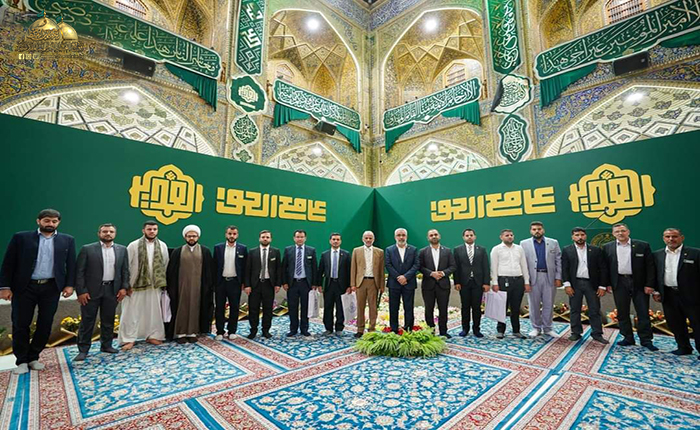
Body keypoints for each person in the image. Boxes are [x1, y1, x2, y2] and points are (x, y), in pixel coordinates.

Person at [0, 209, 76, 374]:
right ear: (38, 221)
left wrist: (70, 285)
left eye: (54, 221)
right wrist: (4, 287)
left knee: (45, 323)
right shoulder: (21, 238)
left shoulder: (67, 240)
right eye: (47, 220)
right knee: (21, 324)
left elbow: (71, 265)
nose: (50, 224)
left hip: (51, 288)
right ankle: (21, 360)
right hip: (24, 287)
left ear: (58, 222)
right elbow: (8, 263)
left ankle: (34, 357)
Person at [74, 224, 129, 361]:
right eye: (105, 231)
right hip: (90, 292)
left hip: (112, 290)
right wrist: (81, 291)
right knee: (87, 321)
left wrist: (124, 288)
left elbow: (125, 271)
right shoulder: (87, 249)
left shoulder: (122, 250)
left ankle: (106, 345)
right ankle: (83, 350)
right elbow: (79, 272)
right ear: (99, 233)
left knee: (108, 320)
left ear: (115, 234)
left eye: (111, 231)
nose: (108, 234)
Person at [602, 223, 657, 350]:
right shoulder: (607, 247)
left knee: (643, 312)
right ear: (613, 234)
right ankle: (627, 337)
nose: (620, 233)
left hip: (639, 283)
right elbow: (605, 268)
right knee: (622, 312)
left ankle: (646, 340)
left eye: (623, 231)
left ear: (628, 232)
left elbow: (650, 266)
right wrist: (607, 284)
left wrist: (650, 284)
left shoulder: (642, 245)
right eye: (617, 232)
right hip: (619, 282)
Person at [119, 221, 168, 350]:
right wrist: (126, 285)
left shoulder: (162, 246)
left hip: (154, 286)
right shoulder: (133, 245)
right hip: (135, 285)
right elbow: (126, 266)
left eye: (154, 229)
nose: (152, 231)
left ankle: (153, 335)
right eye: (149, 229)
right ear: (143, 230)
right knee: (131, 313)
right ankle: (128, 339)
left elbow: (165, 264)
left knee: (153, 312)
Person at [652, 228, 700, 357]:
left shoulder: (695, 253)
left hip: (692, 295)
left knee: (697, 323)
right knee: (675, 323)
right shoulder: (657, 254)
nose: (671, 239)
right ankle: (684, 347)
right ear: (663, 238)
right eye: (667, 236)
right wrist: (656, 291)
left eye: (674, 236)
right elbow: (655, 274)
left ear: (681, 238)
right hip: (669, 294)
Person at [166, 225, 215, 344]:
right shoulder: (178, 251)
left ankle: (192, 332)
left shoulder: (205, 251)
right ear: (185, 237)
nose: (192, 238)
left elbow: (209, 271)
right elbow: (171, 271)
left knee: (195, 307)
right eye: (189, 236)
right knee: (181, 307)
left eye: (194, 236)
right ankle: (180, 332)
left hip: (199, 287)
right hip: (181, 286)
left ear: (198, 237)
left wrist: (209, 286)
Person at [561, 227, 609, 344]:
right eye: (577, 235)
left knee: (594, 309)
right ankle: (576, 332)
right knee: (575, 309)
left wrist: (602, 286)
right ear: (572, 237)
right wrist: (567, 284)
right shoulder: (567, 250)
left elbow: (603, 268)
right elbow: (565, 268)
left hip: (591, 284)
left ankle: (597, 333)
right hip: (574, 284)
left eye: (582, 235)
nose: (580, 237)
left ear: (585, 236)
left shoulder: (596, 250)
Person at [520, 221, 562, 337]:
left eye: (539, 229)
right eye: (534, 229)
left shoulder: (553, 243)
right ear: (530, 231)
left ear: (543, 230)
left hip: (549, 277)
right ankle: (536, 328)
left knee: (549, 303)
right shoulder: (524, 244)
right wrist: (525, 280)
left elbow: (558, 261)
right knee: (534, 304)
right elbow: (522, 263)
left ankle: (548, 328)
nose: (537, 231)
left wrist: (558, 277)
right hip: (533, 278)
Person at [490, 229, 530, 339]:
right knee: (502, 307)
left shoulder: (519, 249)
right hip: (503, 280)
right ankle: (500, 331)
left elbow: (524, 266)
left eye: (511, 235)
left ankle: (516, 330)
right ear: (501, 237)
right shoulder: (496, 249)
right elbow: (493, 267)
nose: (510, 237)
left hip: (518, 280)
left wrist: (526, 282)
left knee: (516, 308)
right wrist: (495, 282)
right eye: (507, 235)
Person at [453, 228, 490, 337]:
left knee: (476, 307)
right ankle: (465, 329)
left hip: (478, 283)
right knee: (465, 307)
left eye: (471, 235)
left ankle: (476, 329)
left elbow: (486, 267)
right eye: (467, 235)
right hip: (464, 283)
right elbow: (456, 267)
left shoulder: (481, 249)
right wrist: (457, 282)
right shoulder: (457, 250)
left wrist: (486, 282)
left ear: (475, 236)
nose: (469, 237)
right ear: (463, 237)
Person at [418, 229, 455, 337]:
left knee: (443, 309)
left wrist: (443, 273)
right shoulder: (423, 252)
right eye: (431, 235)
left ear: (439, 236)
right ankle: (430, 331)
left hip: (443, 285)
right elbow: (419, 266)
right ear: (428, 238)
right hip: (428, 285)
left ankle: (443, 331)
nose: (434, 236)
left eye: (435, 234)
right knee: (428, 309)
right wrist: (431, 273)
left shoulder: (447, 251)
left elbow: (453, 266)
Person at [245, 230, 281, 339]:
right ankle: (253, 330)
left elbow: (278, 269)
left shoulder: (276, 252)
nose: (265, 239)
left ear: (271, 239)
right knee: (253, 309)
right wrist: (247, 285)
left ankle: (266, 330)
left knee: (268, 309)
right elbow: (247, 269)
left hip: (269, 284)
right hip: (255, 285)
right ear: (259, 238)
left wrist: (278, 284)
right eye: (263, 237)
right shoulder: (252, 252)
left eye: (267, 237)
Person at [213, 226, 247, 340]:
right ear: (226, 234)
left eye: (234, 234)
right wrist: (214, 283)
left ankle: (232, 330)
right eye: (230, 233)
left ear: (237, 235)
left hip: (235, 283)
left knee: (234, 307)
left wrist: (244, 283)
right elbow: (214, 265)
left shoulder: (242, 248)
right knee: (219, 308)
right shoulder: (218, 248)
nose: (232, 236)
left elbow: (244, 267)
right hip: (221, 282)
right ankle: (219, 331)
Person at [282, 230, 318, 337]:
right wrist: (284, 282)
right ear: (294, 238)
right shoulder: (288, 250)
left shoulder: (311, 250)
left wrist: (314, 283)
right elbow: (284, 267)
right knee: (292, 307)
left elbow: (314, 268)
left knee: (305, 307)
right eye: (298, 237)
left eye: (302, 237)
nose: (300, 239)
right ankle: (293, 329)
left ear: (305, 238)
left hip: (305, 283)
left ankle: (304, 329)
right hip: (292, 283)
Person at [385, 228, 420, 334]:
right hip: (394, 283)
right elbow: (388, 265)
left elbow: (416, 265)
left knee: (408, 307)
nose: (401, 237)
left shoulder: (413, 249)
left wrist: (405, 277)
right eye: (399, 235)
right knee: (393, 307)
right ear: (395, 237)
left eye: (403, 235)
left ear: (406, 236)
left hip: (409, 283)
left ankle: (408, 329)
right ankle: (394, 329)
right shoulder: (389, 250)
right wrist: (398, 277)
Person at [350, 231, 384, 338]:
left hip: (373, 282)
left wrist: (382, 285)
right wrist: (353, 284)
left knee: (373, 307)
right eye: (366, 238)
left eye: (370, 238)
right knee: (360, 306)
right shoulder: (356, 251)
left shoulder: (379, 252)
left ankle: (372, 328)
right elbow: (353, 268)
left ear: (373, 239)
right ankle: (360, 329)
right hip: (360, 282)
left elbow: (381, 270)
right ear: (362, 239)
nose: (368, 240)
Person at [316, 233, 351, 334]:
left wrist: (349, 285)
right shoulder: (325, 254)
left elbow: (349, 271)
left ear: (340, 241)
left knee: (340, 307)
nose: (336, 241)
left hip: (342, 285)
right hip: (329, 284)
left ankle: (339, 328)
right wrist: (319, 284)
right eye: (334, 239)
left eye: (338, 239)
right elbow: (320, 270)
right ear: (330, 241)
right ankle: (328, 328)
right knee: (328, 307)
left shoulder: (346, 254)